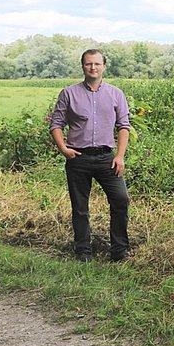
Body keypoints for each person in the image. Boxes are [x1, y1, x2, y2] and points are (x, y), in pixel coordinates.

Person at [49, 49, 131, 262]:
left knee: (121, 200)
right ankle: (83, 251)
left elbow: (124, 126)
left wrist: (120, 156)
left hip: (107, 158)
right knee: (80, 207)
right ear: (82, 66)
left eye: (96, 64)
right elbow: (56, 124)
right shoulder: (69, 93)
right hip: (78, 158)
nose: (93, 68)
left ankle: (119, 250)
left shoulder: (116, 94)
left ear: (104, 66)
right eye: (88, 64)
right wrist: (63, 148)